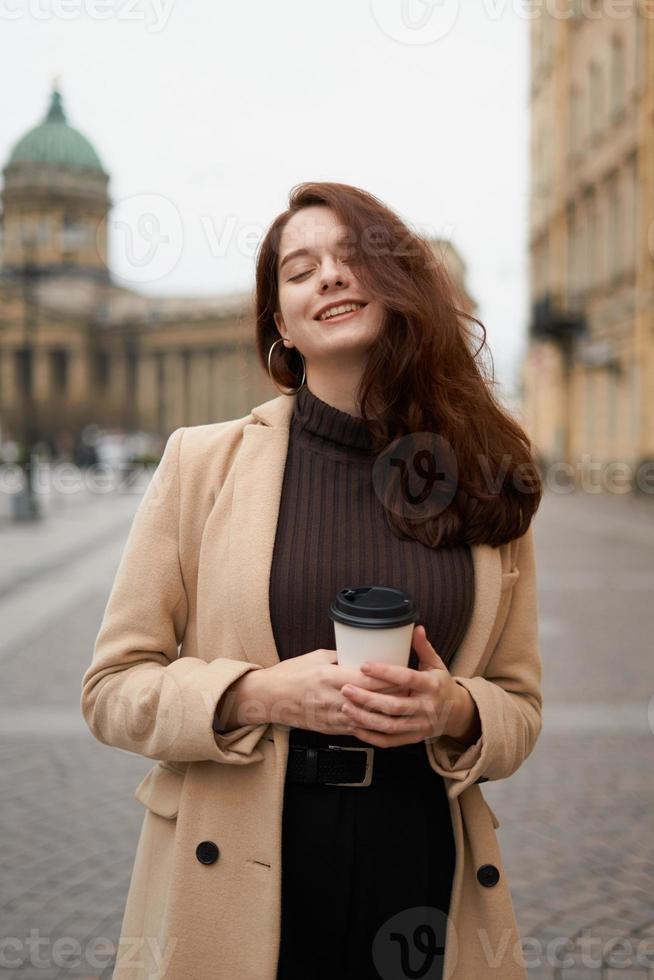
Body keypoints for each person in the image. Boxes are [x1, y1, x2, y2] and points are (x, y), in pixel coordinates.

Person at [81, 181, 543, 980]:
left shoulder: (483, 476)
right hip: (238, 864)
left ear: (401, 287)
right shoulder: (202, 464)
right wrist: (255, 696)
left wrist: (457, 708)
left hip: (421, 858)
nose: (328, 276)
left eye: (354, 257)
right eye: (300, 270)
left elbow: (520, 706)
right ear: (280, 326)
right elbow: (112, 689)